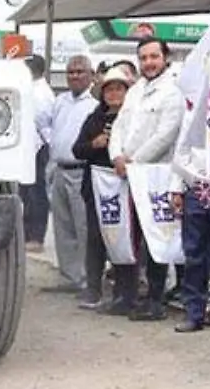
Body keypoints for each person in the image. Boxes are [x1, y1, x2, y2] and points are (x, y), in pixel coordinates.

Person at [110, 39, 184, 321]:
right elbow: (119, 126)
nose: (149, 62)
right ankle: (131, 296)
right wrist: (117, 155)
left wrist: (134, 162)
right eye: (144, 57)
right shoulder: (136, 91)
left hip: (156, 174)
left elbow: (166, 135)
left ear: (165, 58)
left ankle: (156, 300)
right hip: (128, 174)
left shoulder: (172, 92)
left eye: (154, 56)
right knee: (134, 238)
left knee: (157, 238)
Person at [71, 68, 132, 311]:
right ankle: (93, 288)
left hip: (124, 186)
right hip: (96, 186)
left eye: (119, 88)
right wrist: (94, 144)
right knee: (95, 238)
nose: (114, 93)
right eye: (109, 89)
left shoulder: (133, 117)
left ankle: (124, 292)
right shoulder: (94, 118)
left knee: (123, 238)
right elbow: (77, 149)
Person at [40, 55, 97, 296]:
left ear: (91, 75)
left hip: (81, 171)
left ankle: (87, 279)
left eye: (80, 72)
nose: (74, 76)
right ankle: (71, 276)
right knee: (62, 227)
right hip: (60, 170)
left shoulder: (94, 104)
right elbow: (44, 124)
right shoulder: (60, 101)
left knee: (83, 226)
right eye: (71, 72)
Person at [21, 54, 54, 250]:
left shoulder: (40, 92)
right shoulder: (30, 89)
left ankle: (36, 236)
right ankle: (27, 234)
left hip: (39, 146)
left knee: (37, 192)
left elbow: (42, 121)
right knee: (27, 192)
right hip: (29, 147)